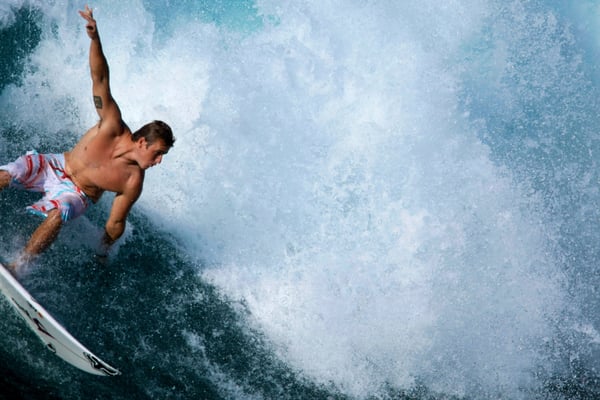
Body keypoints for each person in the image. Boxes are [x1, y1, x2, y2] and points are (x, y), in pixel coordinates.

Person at [0, 6, 175, 276]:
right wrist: (95, 39)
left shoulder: (132, 181)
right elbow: (100, 78)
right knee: (10, 173)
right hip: (55, 165)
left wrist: (103, 251)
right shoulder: (111, 124)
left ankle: (18, 267)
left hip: (77, 193)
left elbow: (116, 222)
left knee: (60, 211)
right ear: (142, 143)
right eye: (158, 153)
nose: (159, 161)